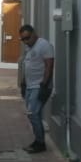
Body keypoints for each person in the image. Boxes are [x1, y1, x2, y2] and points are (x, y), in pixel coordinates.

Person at [18, 24, 55, 153]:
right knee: (32, 114)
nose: (25, 41)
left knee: (33, 114)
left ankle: (40, 143)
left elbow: (49, 65)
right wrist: (23, 83)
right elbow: (27, 65)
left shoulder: (44, 45)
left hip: (39, 86)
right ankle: (38, 141)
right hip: (30, 86)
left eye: (27, 38)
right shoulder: (29, 47)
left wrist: (44, 85)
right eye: (23, 39)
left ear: (34, 34)